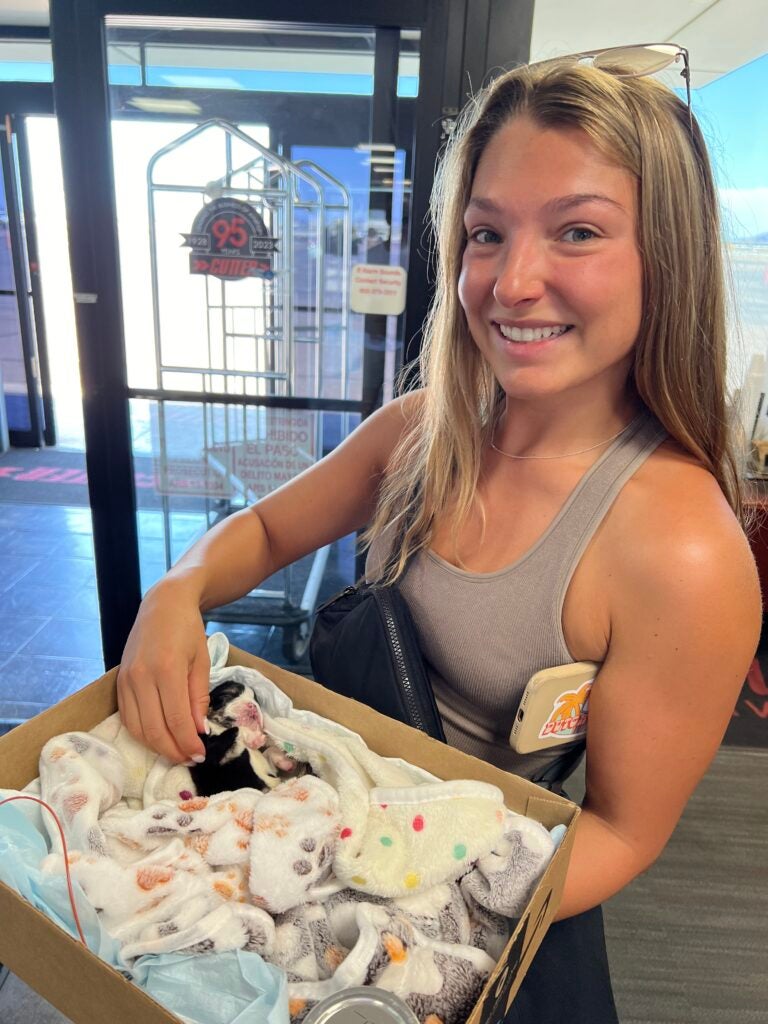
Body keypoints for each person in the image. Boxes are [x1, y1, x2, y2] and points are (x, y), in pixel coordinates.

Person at [117, 48, 762, 1022]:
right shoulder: (422, 431)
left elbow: (623, 833)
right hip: (321, 810)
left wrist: (396, 915)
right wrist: (175, 592)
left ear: (663, 255)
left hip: (459, 892)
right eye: (485, 233)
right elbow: (258, 527)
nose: (513, 280)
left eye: (578, 230)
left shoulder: (681, 549)